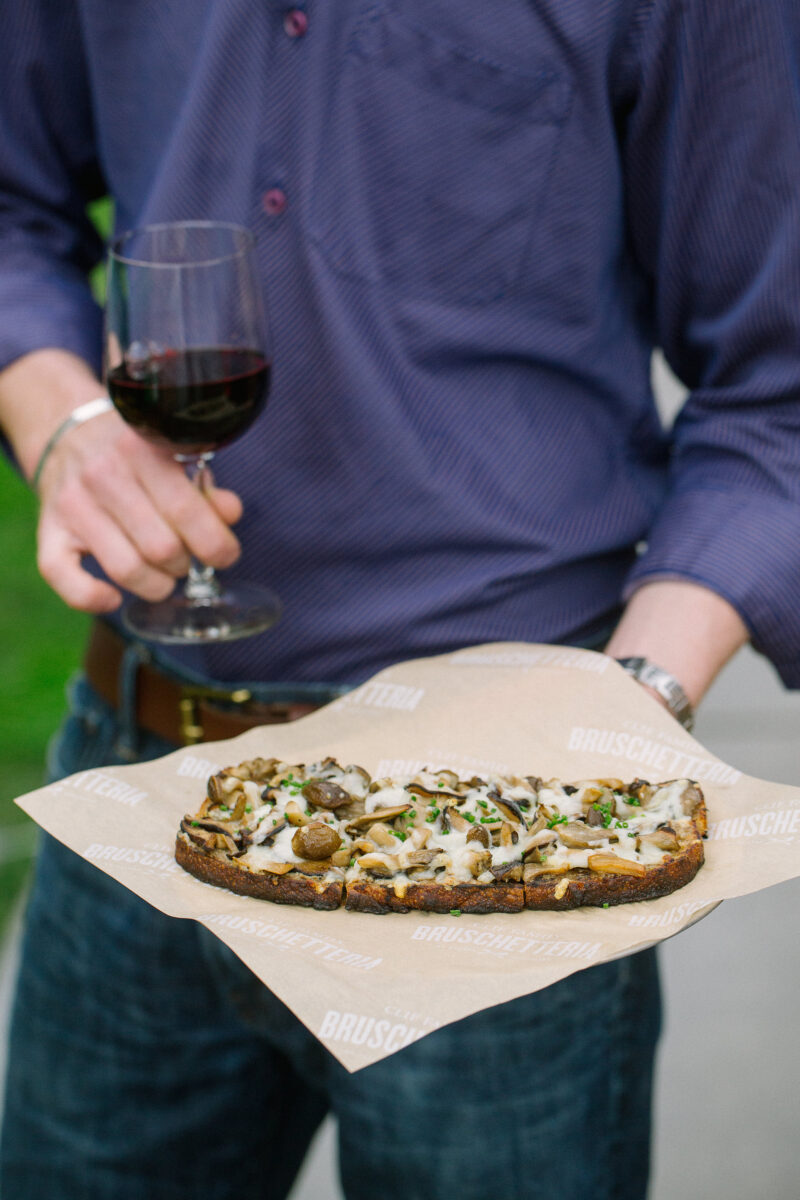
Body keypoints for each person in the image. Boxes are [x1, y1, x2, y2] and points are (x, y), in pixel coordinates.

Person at [1, 2, 798, 1197]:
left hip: (500, 845)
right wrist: (57, 421)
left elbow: (776, 390)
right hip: (139, 784)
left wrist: (621, 719)